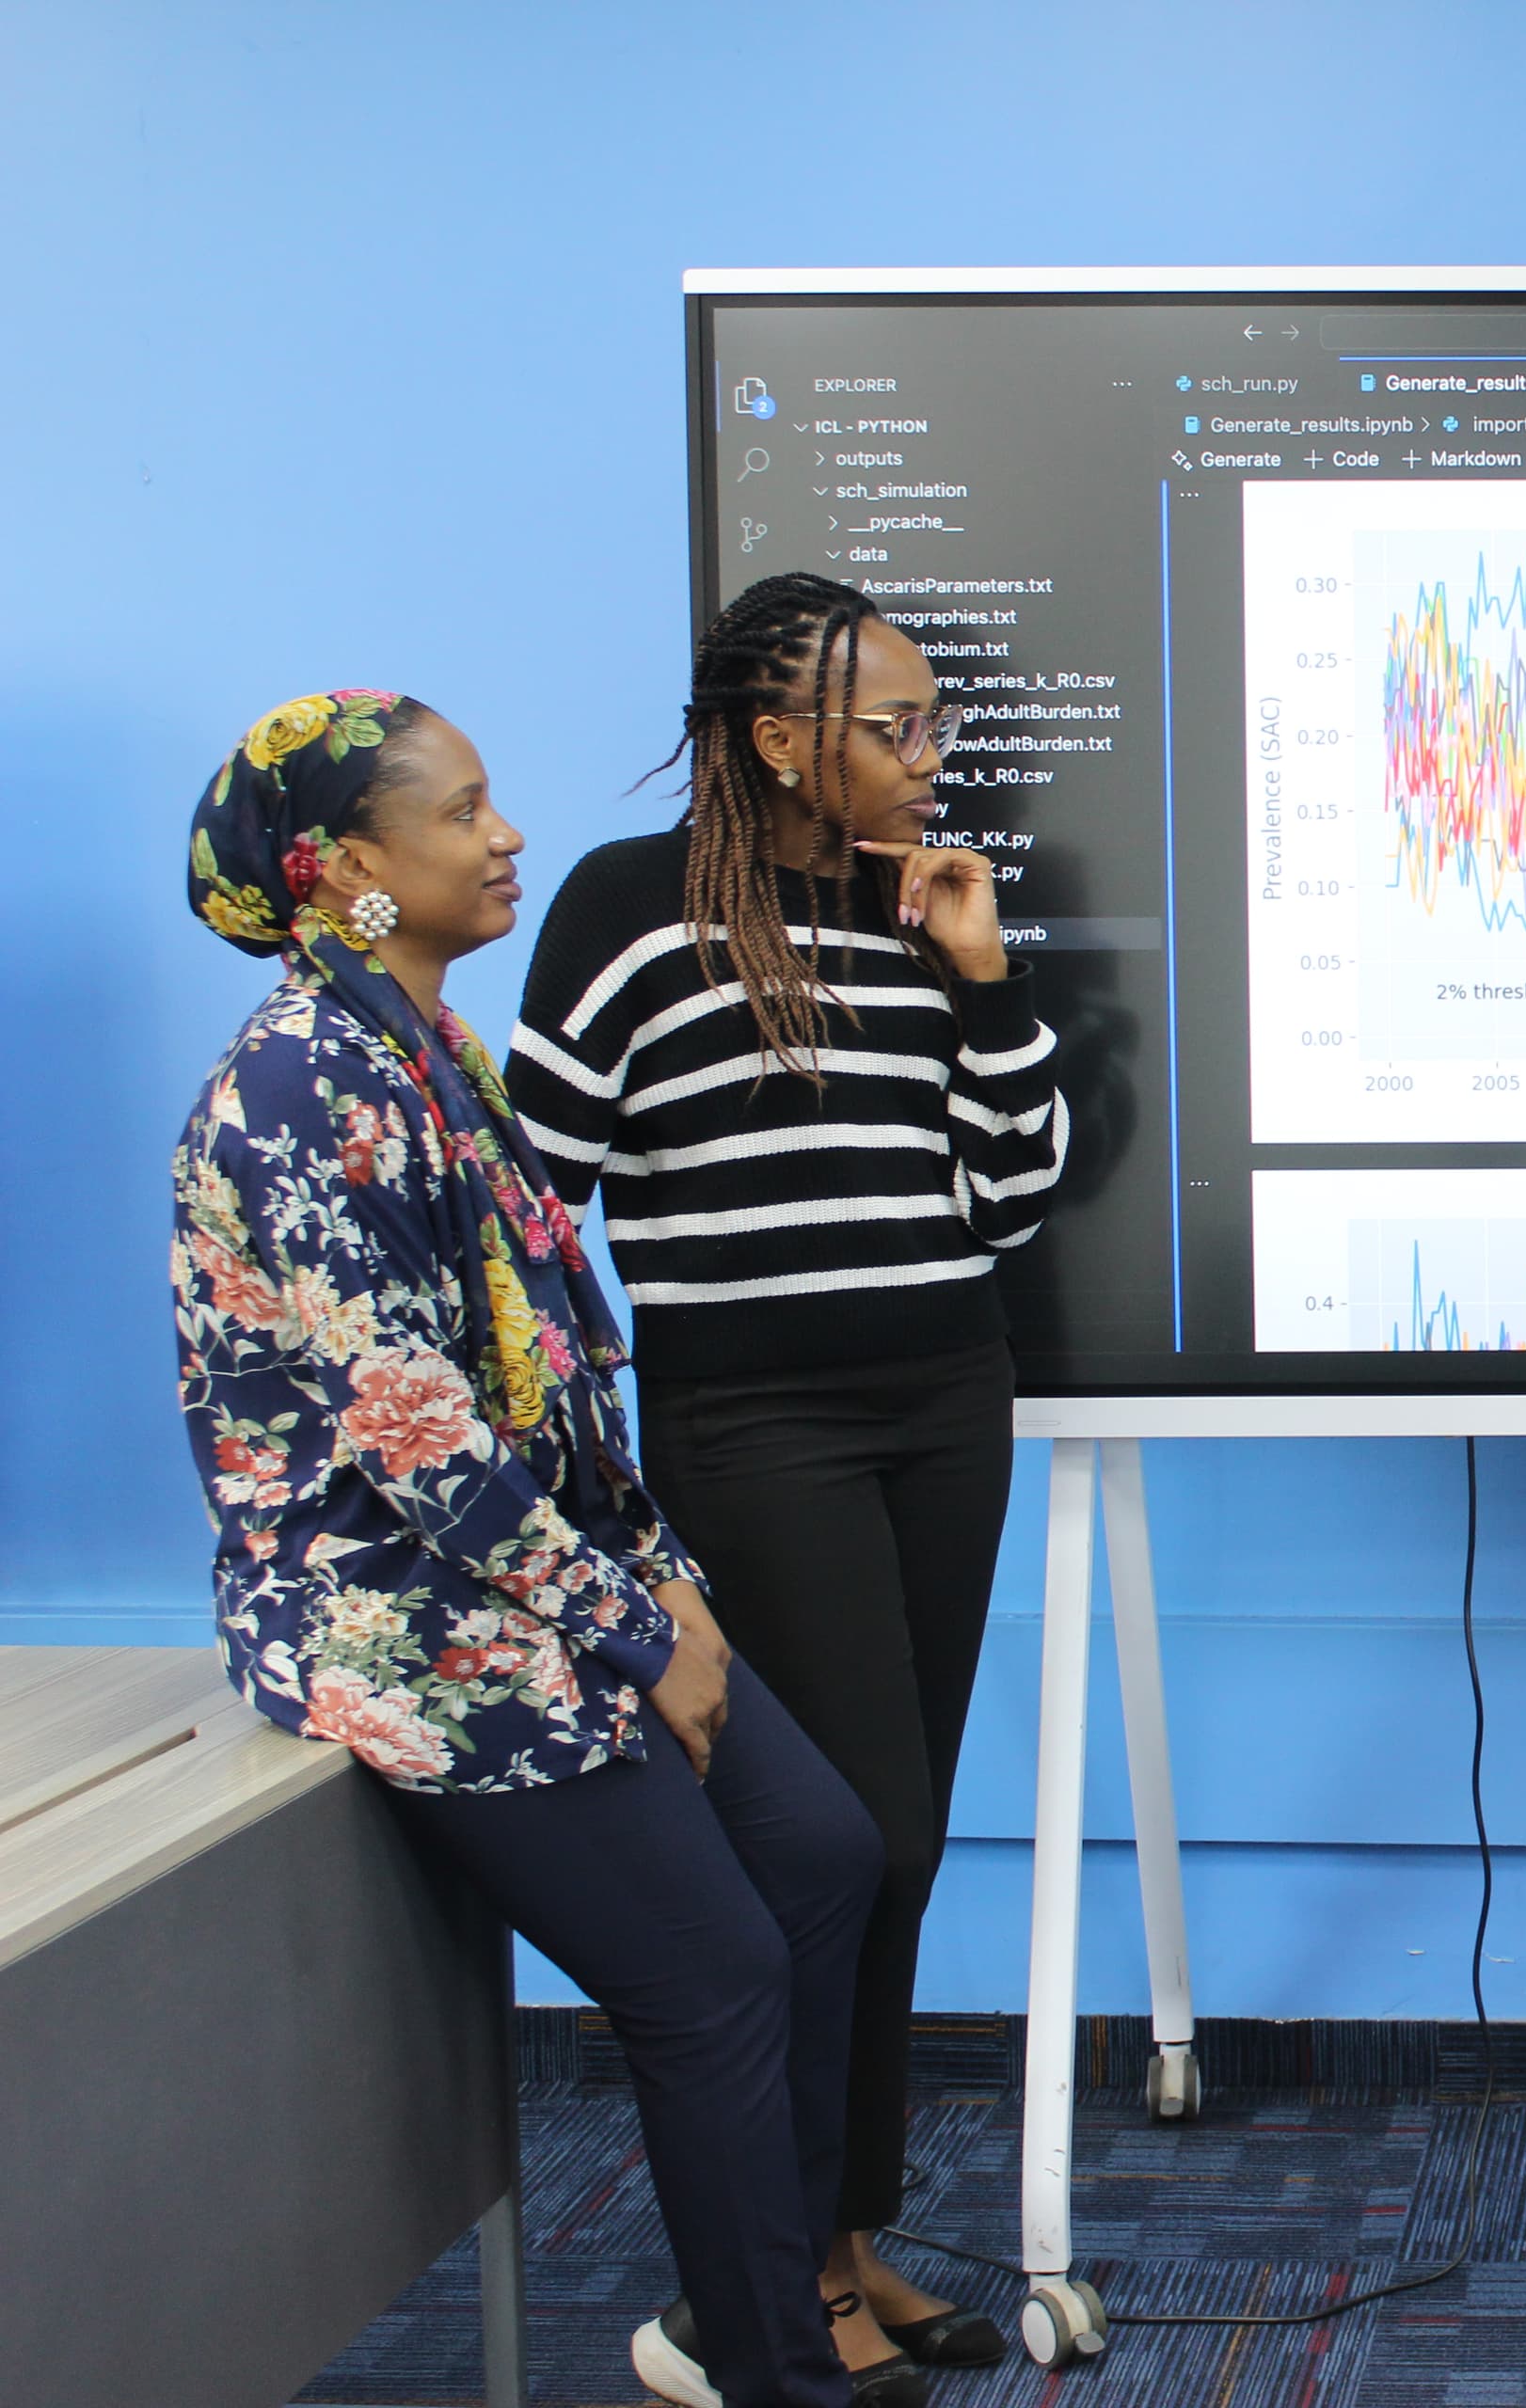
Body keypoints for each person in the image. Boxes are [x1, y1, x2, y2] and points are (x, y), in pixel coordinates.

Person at [172, 691, 895, 2408]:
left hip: (549, 1580)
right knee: (713, 1969)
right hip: (396, 1615)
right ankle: (774, 2367)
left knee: (823, 1858)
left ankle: (748, 2313)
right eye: (462, 812)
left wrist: (670, 1594)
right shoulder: (299, 1088)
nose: (507, 837)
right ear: (342, 865)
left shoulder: (437, 1052)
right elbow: (421, 1444)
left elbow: (559, 1376)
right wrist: (641, 1640)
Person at [509, 573, 1070, 2376]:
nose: (929, 756)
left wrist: (986, 979)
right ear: (772, 739)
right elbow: (530, 1203)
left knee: (898, 1852)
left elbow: (1011, 1195)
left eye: (935, 724)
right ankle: (768, 2283)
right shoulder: (626, 907)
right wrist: (584, 1472)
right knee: (855, 1839)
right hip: (757, 1430)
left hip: (946, 1402)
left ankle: (840, 2241)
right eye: (895, 727)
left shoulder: (920, 910)